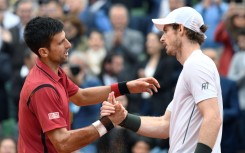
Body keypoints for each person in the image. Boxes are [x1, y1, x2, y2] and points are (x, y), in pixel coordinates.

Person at [18, 16, 160, 153]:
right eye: (61, 42)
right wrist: (108, 123)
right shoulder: (42, 88)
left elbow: (81, 96)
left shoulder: (52, 71)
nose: (69, 44)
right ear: (43, 52)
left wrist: (126, 87)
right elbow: (63, 143)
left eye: (66, 38)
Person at [101, 7, 223, 153]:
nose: (162, 38)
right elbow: (164, 125)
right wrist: (123, 118)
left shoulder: (197, 64)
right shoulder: (191, 67)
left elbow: (212, 117)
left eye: (166, 31)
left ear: (181, 29)